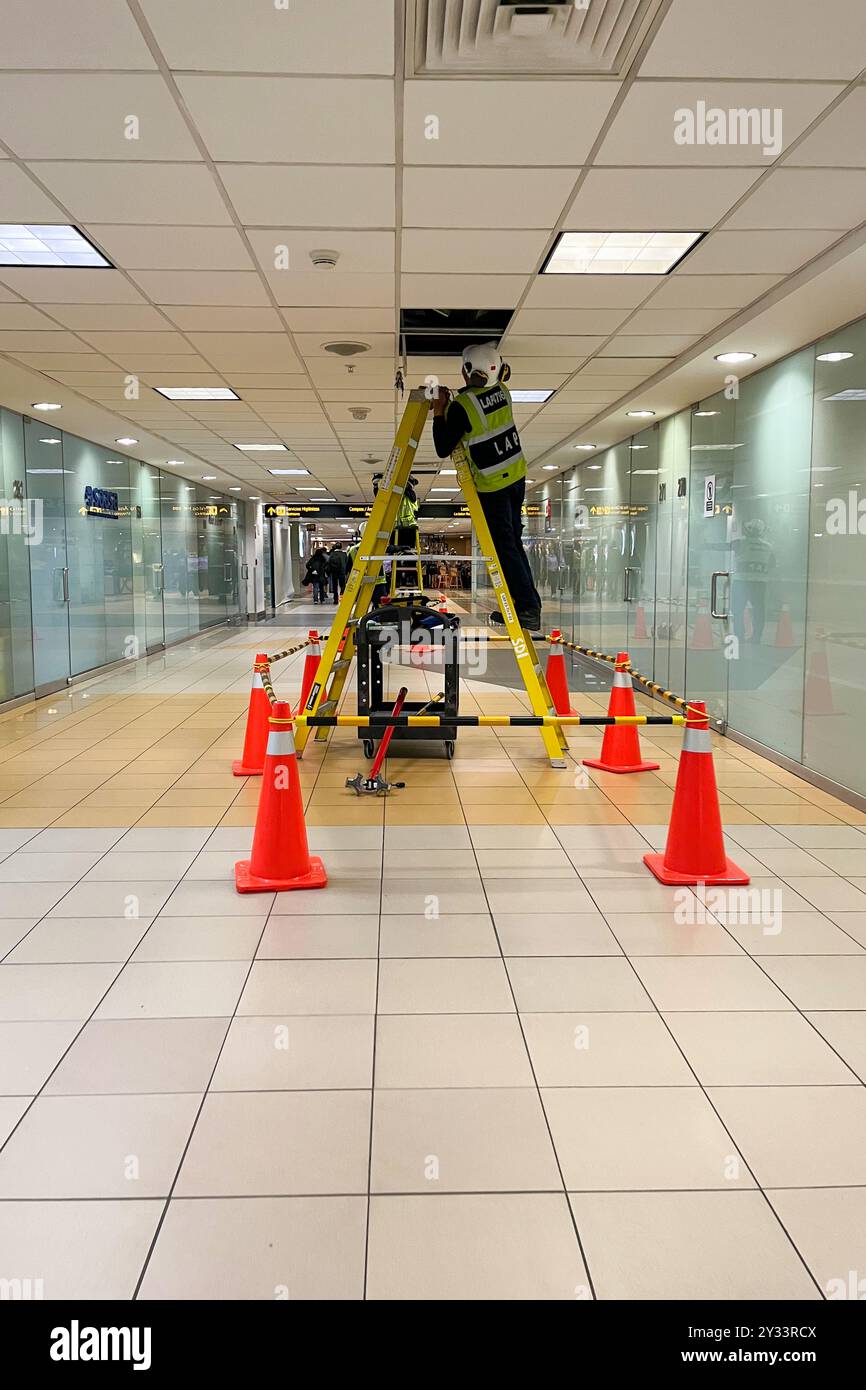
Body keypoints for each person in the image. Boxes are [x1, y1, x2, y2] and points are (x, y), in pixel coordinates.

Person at [432, 342, 542, 631]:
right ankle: (527, 604)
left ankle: (527, 608)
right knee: (513, 545)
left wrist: (439, 411)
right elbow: (493, 383)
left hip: (492, 485)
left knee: (506, 548)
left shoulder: (461, 408)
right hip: (516, 477)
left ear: (467, 369)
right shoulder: (502, 392)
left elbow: (443, 447)